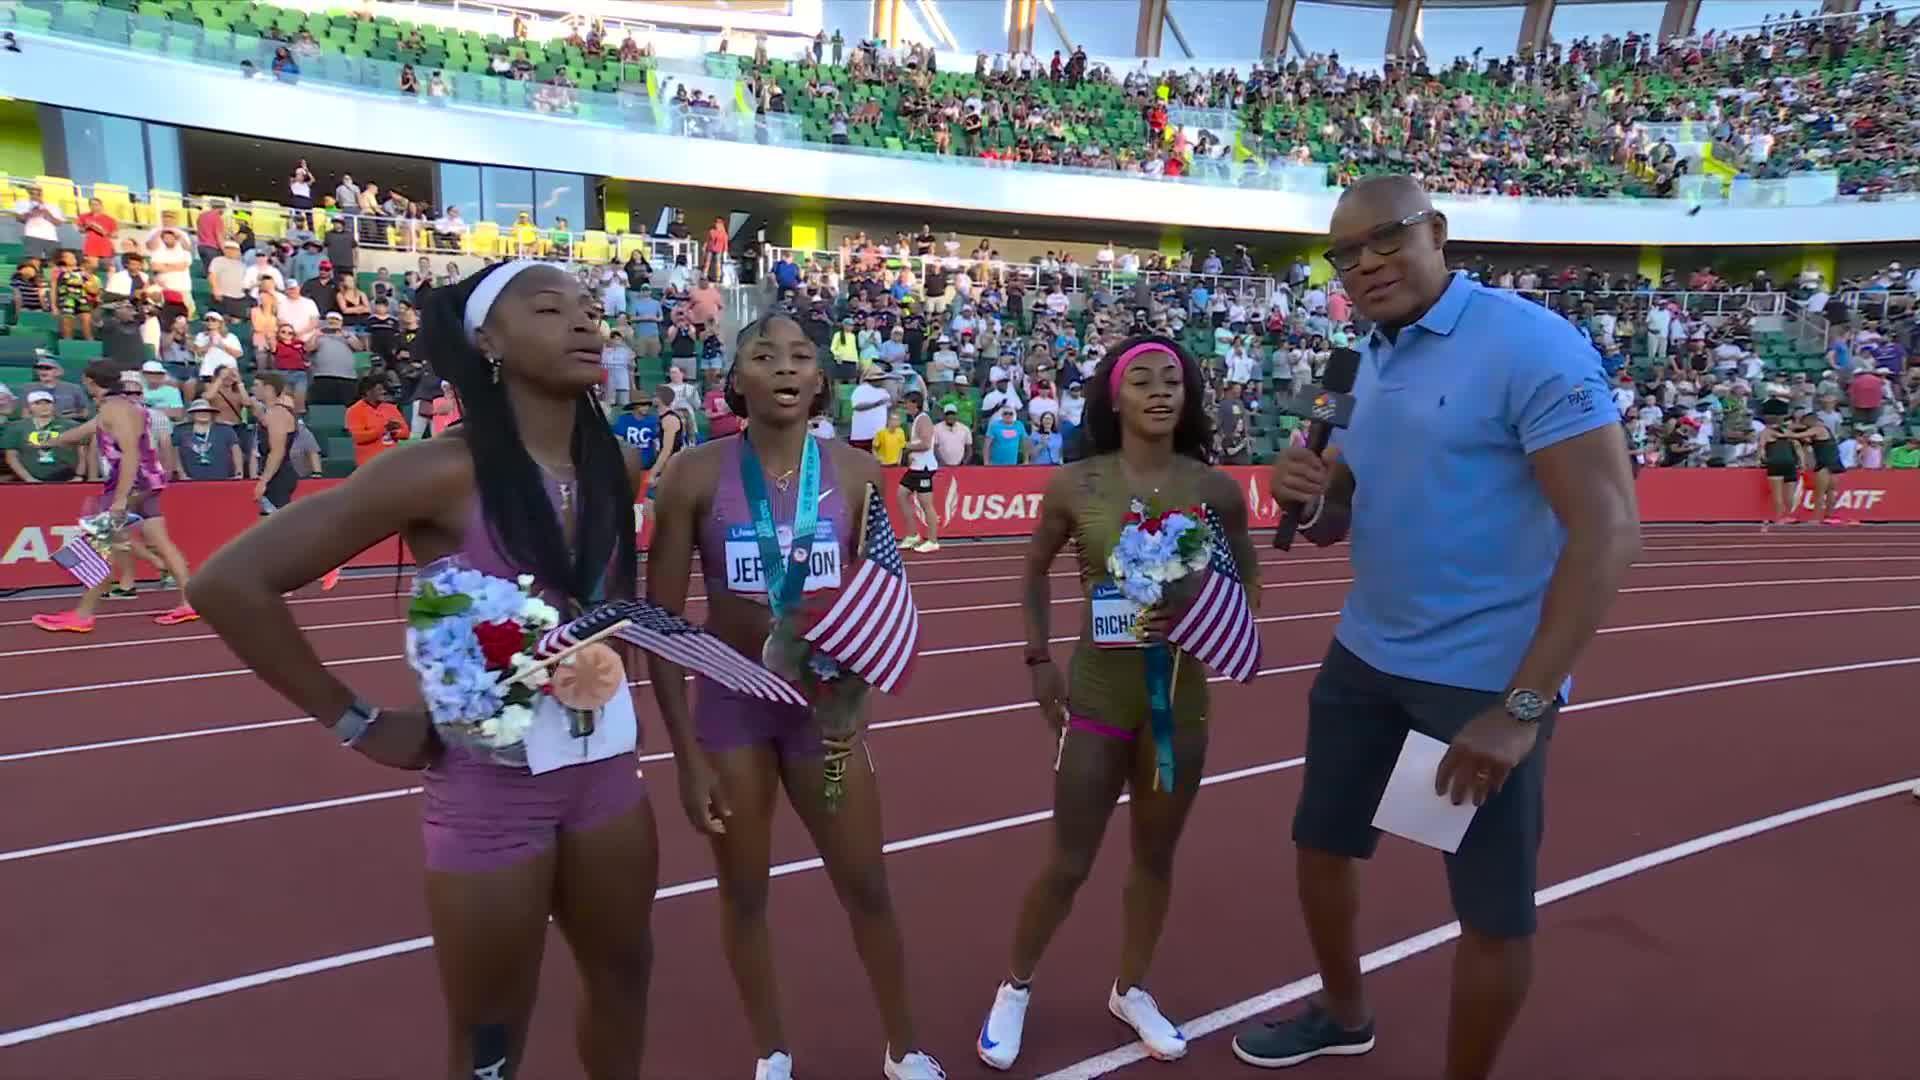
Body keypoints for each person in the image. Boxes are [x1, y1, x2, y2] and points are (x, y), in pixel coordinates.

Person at [187, 262, 659, 1079]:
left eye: (589, 309)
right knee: (490, 1033)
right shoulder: (438, 470)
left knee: (623, 977)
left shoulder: (614, 463)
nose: (587, 323)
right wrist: (357, 720)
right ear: (489, 342)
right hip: (492, 791)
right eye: (552, 311)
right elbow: (227, 583)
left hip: (607, 771)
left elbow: (612, 601)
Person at [1234, 176, 1640, 1078]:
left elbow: (1610, 530)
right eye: (1346, 254)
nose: (1366, 264)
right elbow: (1344, 512)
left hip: (1482, 682)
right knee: (1323, 844)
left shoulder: (1529, 345)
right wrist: (1317, 496)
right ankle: (1345, 1014)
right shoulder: (1366, 356)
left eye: (1387, 238)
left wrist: (1521, 708)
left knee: (1488, 909)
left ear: (1438, 231)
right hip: (1367, 655)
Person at [645, 312, 943, 1080]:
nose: (784, 367)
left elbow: (882, 600)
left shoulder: (856, 473)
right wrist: (685, 758)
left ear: (820, 381)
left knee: (866, 885)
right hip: (731, 710)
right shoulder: (694, 476)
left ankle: (905, 1047)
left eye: (801, 356)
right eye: (764, 354)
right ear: (735, 378)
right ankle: (772, 1052)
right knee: (744, 894)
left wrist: (856, 707)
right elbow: (663, 625)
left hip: (824, 713)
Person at [975, 336, 1257, 1071]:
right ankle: (1015, 986)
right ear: (1114, 396)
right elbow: (1033, 571)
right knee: (1069, 860)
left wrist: (1202, 614)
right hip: (1098, 697)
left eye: (1173, 381)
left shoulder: (1216, 489)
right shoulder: (1075, 484)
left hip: (1181, 704)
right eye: (1143, 381)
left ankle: (1131, 988)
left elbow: (1248, 586)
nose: (1160, 392)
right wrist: (1038, 660)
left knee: (1155, 857)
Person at [31, 362, 198, 632]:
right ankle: (189, 601)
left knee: (99, 545)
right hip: (147, 481)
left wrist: (120, 500)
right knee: (159, 543)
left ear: (90, 382)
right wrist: (45, 440)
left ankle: (83, 615)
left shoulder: (115, 410)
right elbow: (83, 432)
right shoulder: (122, 407)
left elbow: (130, 454)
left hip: (129, 484)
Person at [895, 390, 939, 553]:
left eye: (907, 403)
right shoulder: (916, 420)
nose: (905, 406)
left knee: (926, 504)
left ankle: (933, 540)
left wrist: (905, 446)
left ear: (915, 403)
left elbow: (926, 444)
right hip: (915, 467)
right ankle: (913, 534)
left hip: (924, 468)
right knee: (901, 495)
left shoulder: (924, 419)